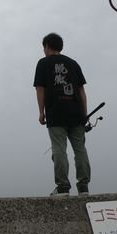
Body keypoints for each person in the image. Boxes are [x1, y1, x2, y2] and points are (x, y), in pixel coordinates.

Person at [33, 32, 91, 196]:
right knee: (80, 149)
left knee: (59, 149)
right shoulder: (73, 63)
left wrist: (41, 112)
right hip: (76, 112)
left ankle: (63, 186)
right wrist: (84, 113)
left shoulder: (43, 63)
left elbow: (40, 89)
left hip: (55, 112)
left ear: (46, 46)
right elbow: (81, 91)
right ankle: (83, 186)